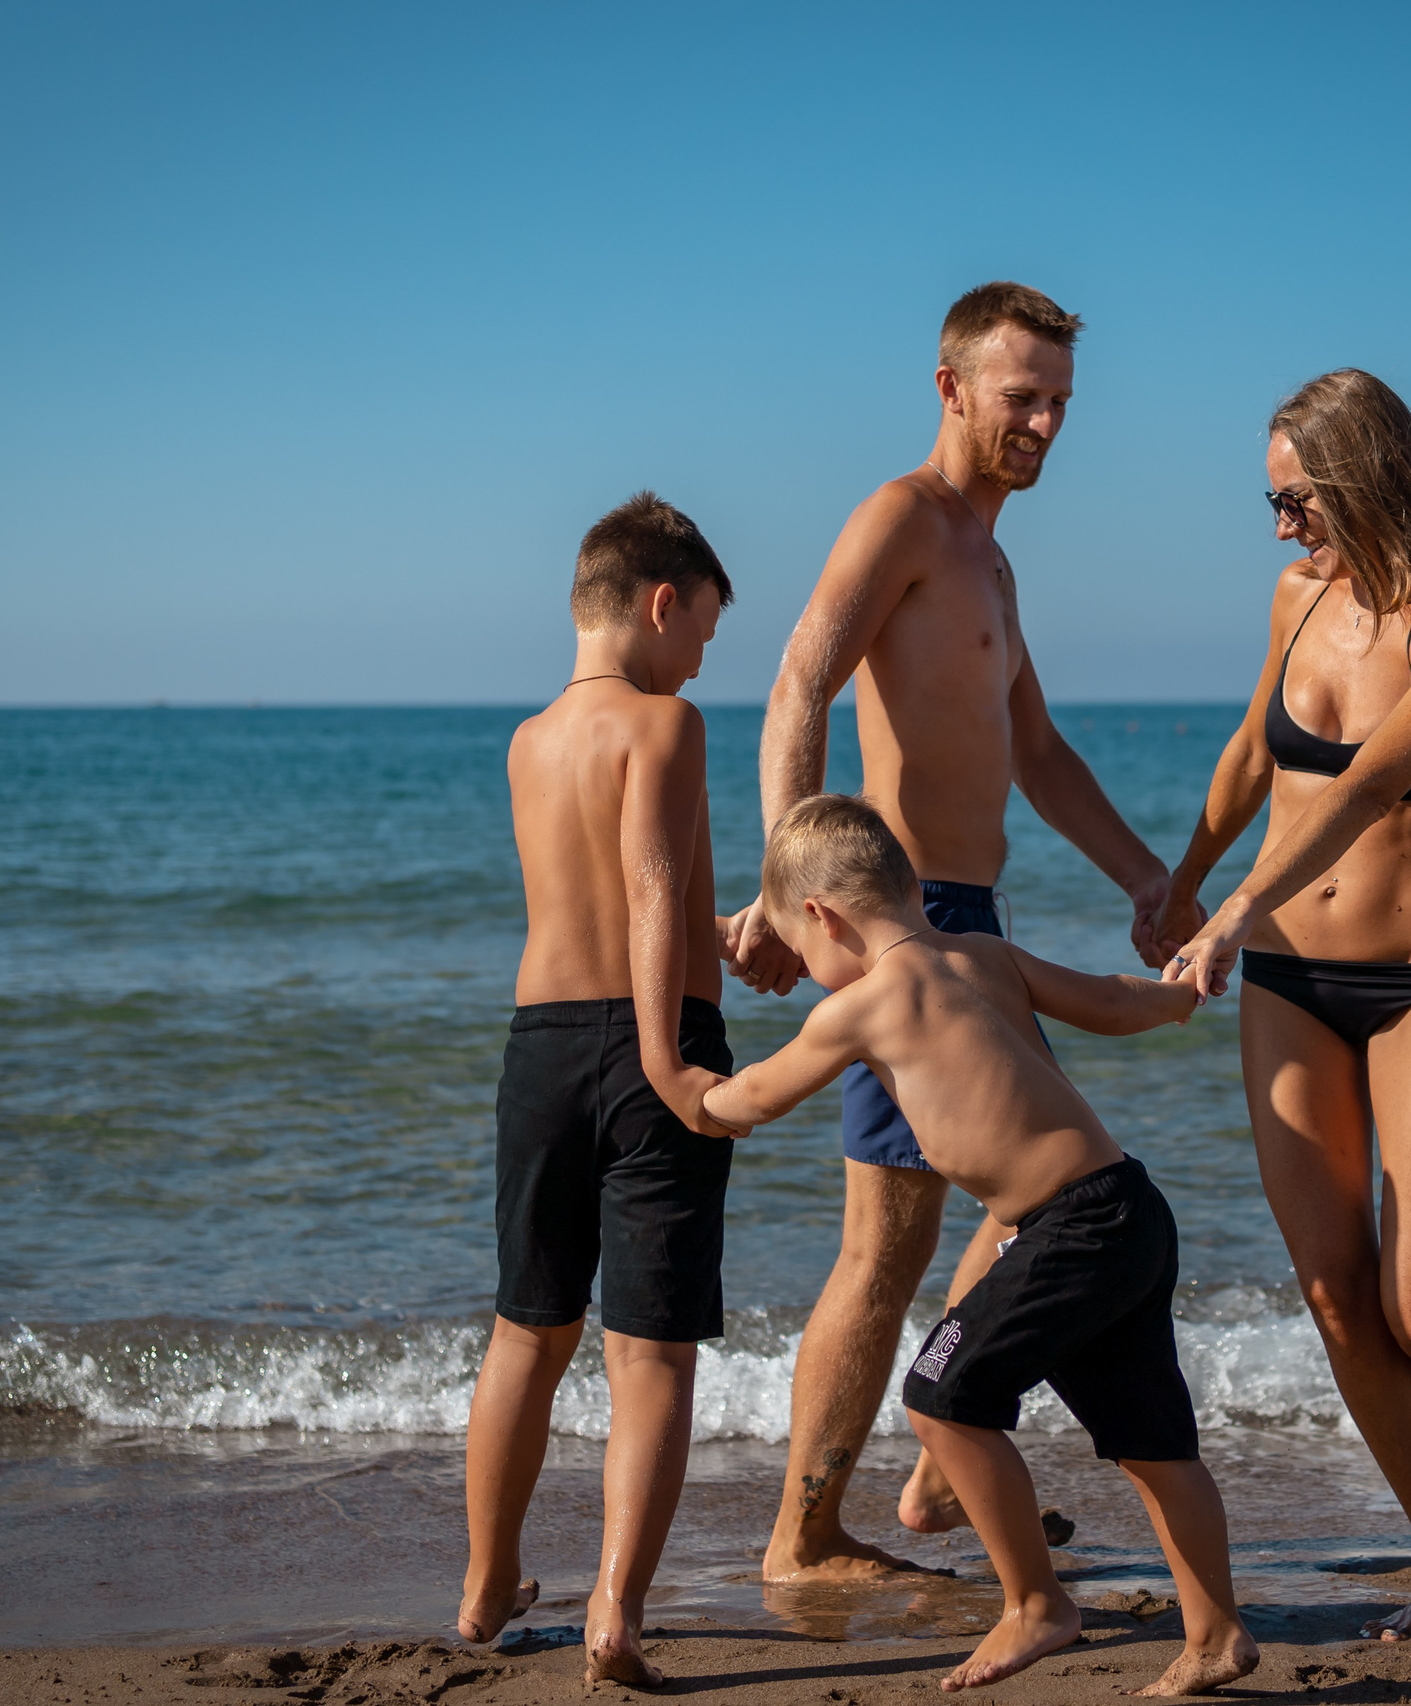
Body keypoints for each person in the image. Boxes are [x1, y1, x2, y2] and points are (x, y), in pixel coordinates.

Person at [723, 282, 1175, 1580]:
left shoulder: (993, 558)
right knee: (890, 1241)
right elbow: (801, 676)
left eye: (1060, 403)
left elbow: (1035, 747)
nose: (1043, 421)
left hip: (967, 916)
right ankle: (805, 1535)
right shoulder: (904, 518)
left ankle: (935, 1464)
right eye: (1021, 395)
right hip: (898, 928)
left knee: (1045, 1187)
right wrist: (780, 886)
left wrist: (1152, 881)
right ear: (951, 388)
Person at [706, 795, 1254, 1696]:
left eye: (802, 954)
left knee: (939, 1393)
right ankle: (1215, 1633)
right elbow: (1108, 1002)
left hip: (1068, 1232)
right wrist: (1173, 998)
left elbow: (756, 1096)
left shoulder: (861, 1006)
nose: (808, 972)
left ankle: (1037, 1603)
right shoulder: (984, 954)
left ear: (821, 917)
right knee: (1155, 1446)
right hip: (1129, 1209)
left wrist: (686, 1094)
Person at [1154, 370, 1411, 1638]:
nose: (1277, 525)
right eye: (1268, 500)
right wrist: (1181, 879)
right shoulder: (1296, 596)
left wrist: (1228, 915)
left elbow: (1364, 791)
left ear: (1361, 475)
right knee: (1333, 1296)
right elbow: (1257, 753)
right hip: (1289, 988)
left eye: (1293, 498)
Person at [455, 493, 744, 1689]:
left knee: (528, 1325)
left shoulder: (529, 739)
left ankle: (484, 1583)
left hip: (539, 1044)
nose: (699, 659)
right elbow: (646, 889)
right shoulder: (666, 724)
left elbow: (643, 902)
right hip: (650, 1040)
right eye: (704, 632)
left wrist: (733, 937)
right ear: (660, 600)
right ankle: (614, 1612)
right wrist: (672, 1054)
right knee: (651, 1349)